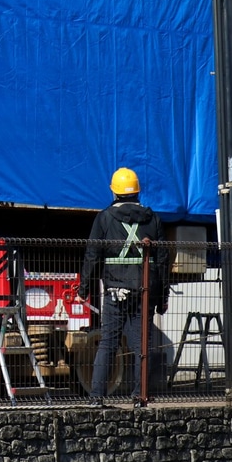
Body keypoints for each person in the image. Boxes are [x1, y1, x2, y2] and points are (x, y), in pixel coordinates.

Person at [78, 166, 169, 403]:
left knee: (108, 343)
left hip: (115, 290)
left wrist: (83, 289)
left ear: (114, 191)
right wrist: (162, 297)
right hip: (144, 291)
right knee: (142, 346)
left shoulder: (104, 218)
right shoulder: (153, 219)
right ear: (137, 191)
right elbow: (162, 260)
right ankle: (140, 396)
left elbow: (92, 254)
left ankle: (96, 397)